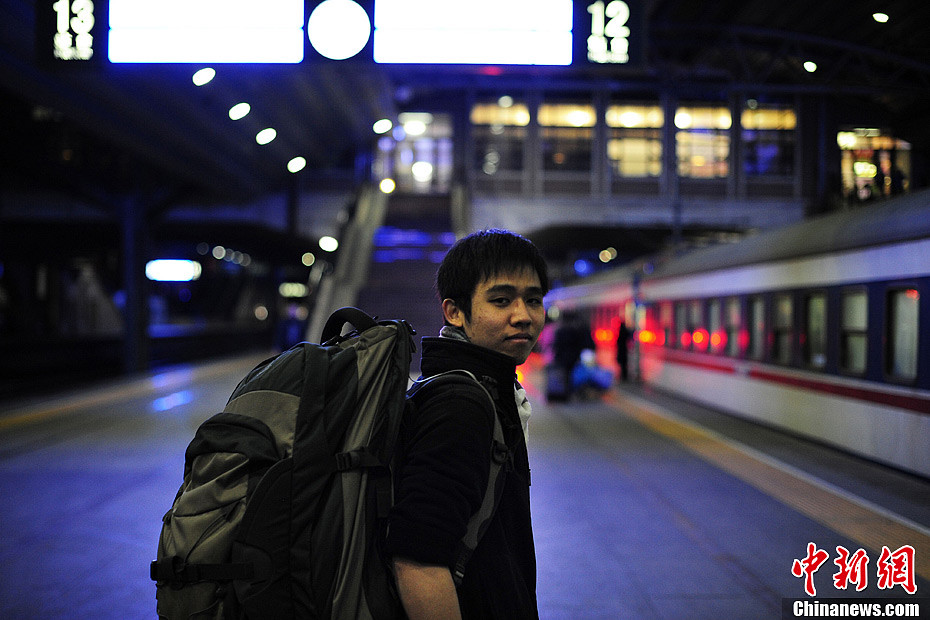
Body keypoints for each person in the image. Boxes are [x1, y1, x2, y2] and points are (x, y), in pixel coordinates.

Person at [386, 229, 548, 619]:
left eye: (534, 300)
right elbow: (418, 559)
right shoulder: (462, 404)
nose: (523, 315)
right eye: (501, 300)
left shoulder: (491, 390)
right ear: (454, 312)